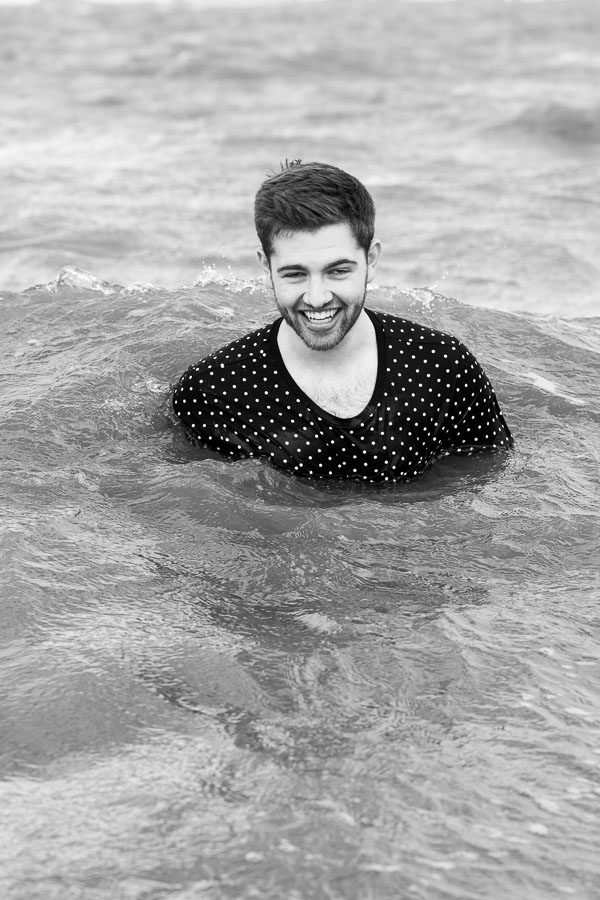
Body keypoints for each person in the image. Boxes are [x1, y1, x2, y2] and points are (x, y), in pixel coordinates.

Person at [172, 160, 512, 482]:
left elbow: (487, 475)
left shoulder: (443, 366)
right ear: (266, 268)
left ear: (371, 260)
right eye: (295, 274)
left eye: (337, 271)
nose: (317, 297)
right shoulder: (213, 392)